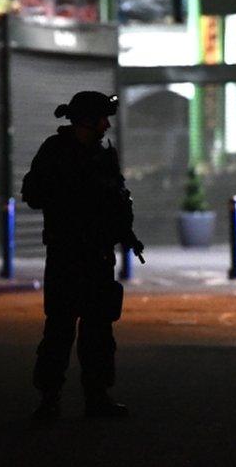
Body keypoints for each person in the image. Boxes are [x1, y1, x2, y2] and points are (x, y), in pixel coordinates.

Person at [21, 90, 144, 422]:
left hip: (99, 255)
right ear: (87, 119)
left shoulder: (104, 155)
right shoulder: (55, 151)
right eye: (102, 117)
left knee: (99, 331)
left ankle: (97, 396)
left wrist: (125, 232)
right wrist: (70, 192)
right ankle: (49, 400)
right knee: (60, 329)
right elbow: (32, 193)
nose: (106, 124)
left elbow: (118, 199)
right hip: (66, 254)